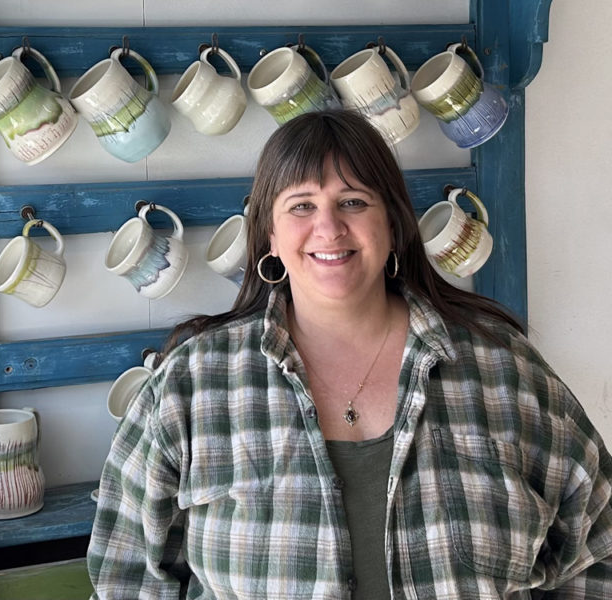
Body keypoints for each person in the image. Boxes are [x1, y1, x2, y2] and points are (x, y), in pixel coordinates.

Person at [87, 109, 612, 599]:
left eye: (354, 201)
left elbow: (599, 546)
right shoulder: (192, 386)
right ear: (269, 235)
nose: (329, 228)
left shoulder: (504, 371)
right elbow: (128, 576)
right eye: (301, 206)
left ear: (394, 225)